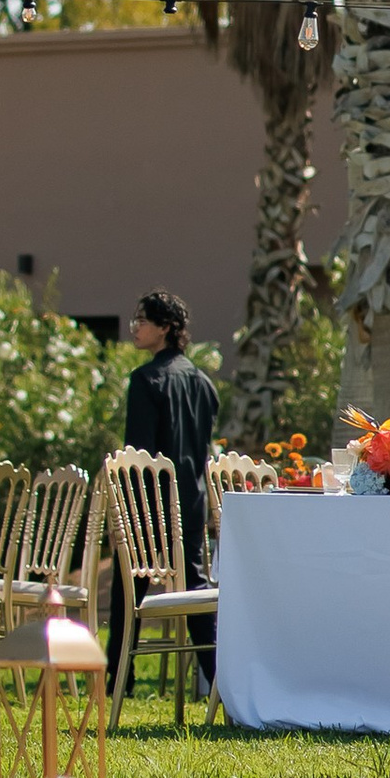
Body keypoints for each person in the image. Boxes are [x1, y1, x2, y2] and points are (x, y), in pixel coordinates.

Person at [113, 288, 220, 689]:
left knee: (129, 590)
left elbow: (136, 455)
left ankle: (118, 677)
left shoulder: (145, 381)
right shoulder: (205, 384)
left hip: (149, 505)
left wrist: (125, 511)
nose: (135, 328)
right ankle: (216, 678)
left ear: (167, 328)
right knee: (196, 592)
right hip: (190, 505)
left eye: (143, 320)